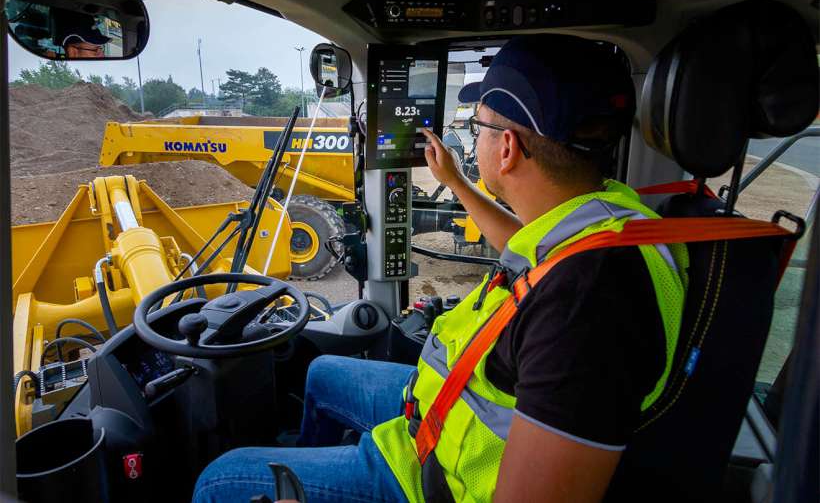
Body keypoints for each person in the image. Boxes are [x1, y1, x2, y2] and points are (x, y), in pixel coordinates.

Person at [193, 35, 688, 502]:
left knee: (221, 479)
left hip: (433, 478)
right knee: (321, 372)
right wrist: (454, 180)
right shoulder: (603, 218)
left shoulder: (589, 305)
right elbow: (523, 245)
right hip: (439, 412)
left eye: (479, 127)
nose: (475, 139)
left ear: (509, 148)